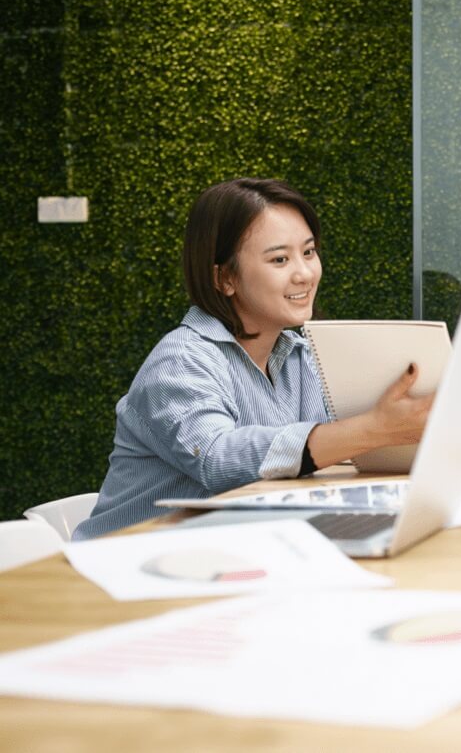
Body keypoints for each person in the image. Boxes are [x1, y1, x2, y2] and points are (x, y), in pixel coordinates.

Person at [75, 178, 433, 539]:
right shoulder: (180, 362)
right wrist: (371, 429)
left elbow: (338, 449)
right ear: (225, 278)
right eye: (280, 259)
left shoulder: (303, 357)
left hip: (239, 557)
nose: (305, 274)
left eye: (308, 252)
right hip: (125, 569)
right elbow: (218, 459)